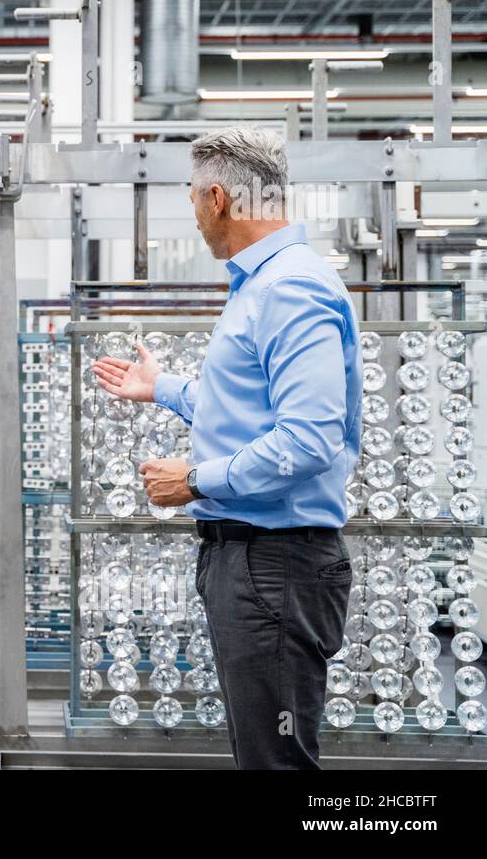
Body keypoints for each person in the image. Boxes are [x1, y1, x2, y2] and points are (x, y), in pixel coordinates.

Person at [91, 124, 361, 770]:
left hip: (274, 565)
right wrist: (167, 389)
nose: (194, 213)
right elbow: (255, 407)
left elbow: (309, 438)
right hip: (255, 561)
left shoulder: (287, 288)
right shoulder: (263, 285)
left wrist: (199, 479)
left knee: (275, 763)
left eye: (191, 199)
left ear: (218, 198)